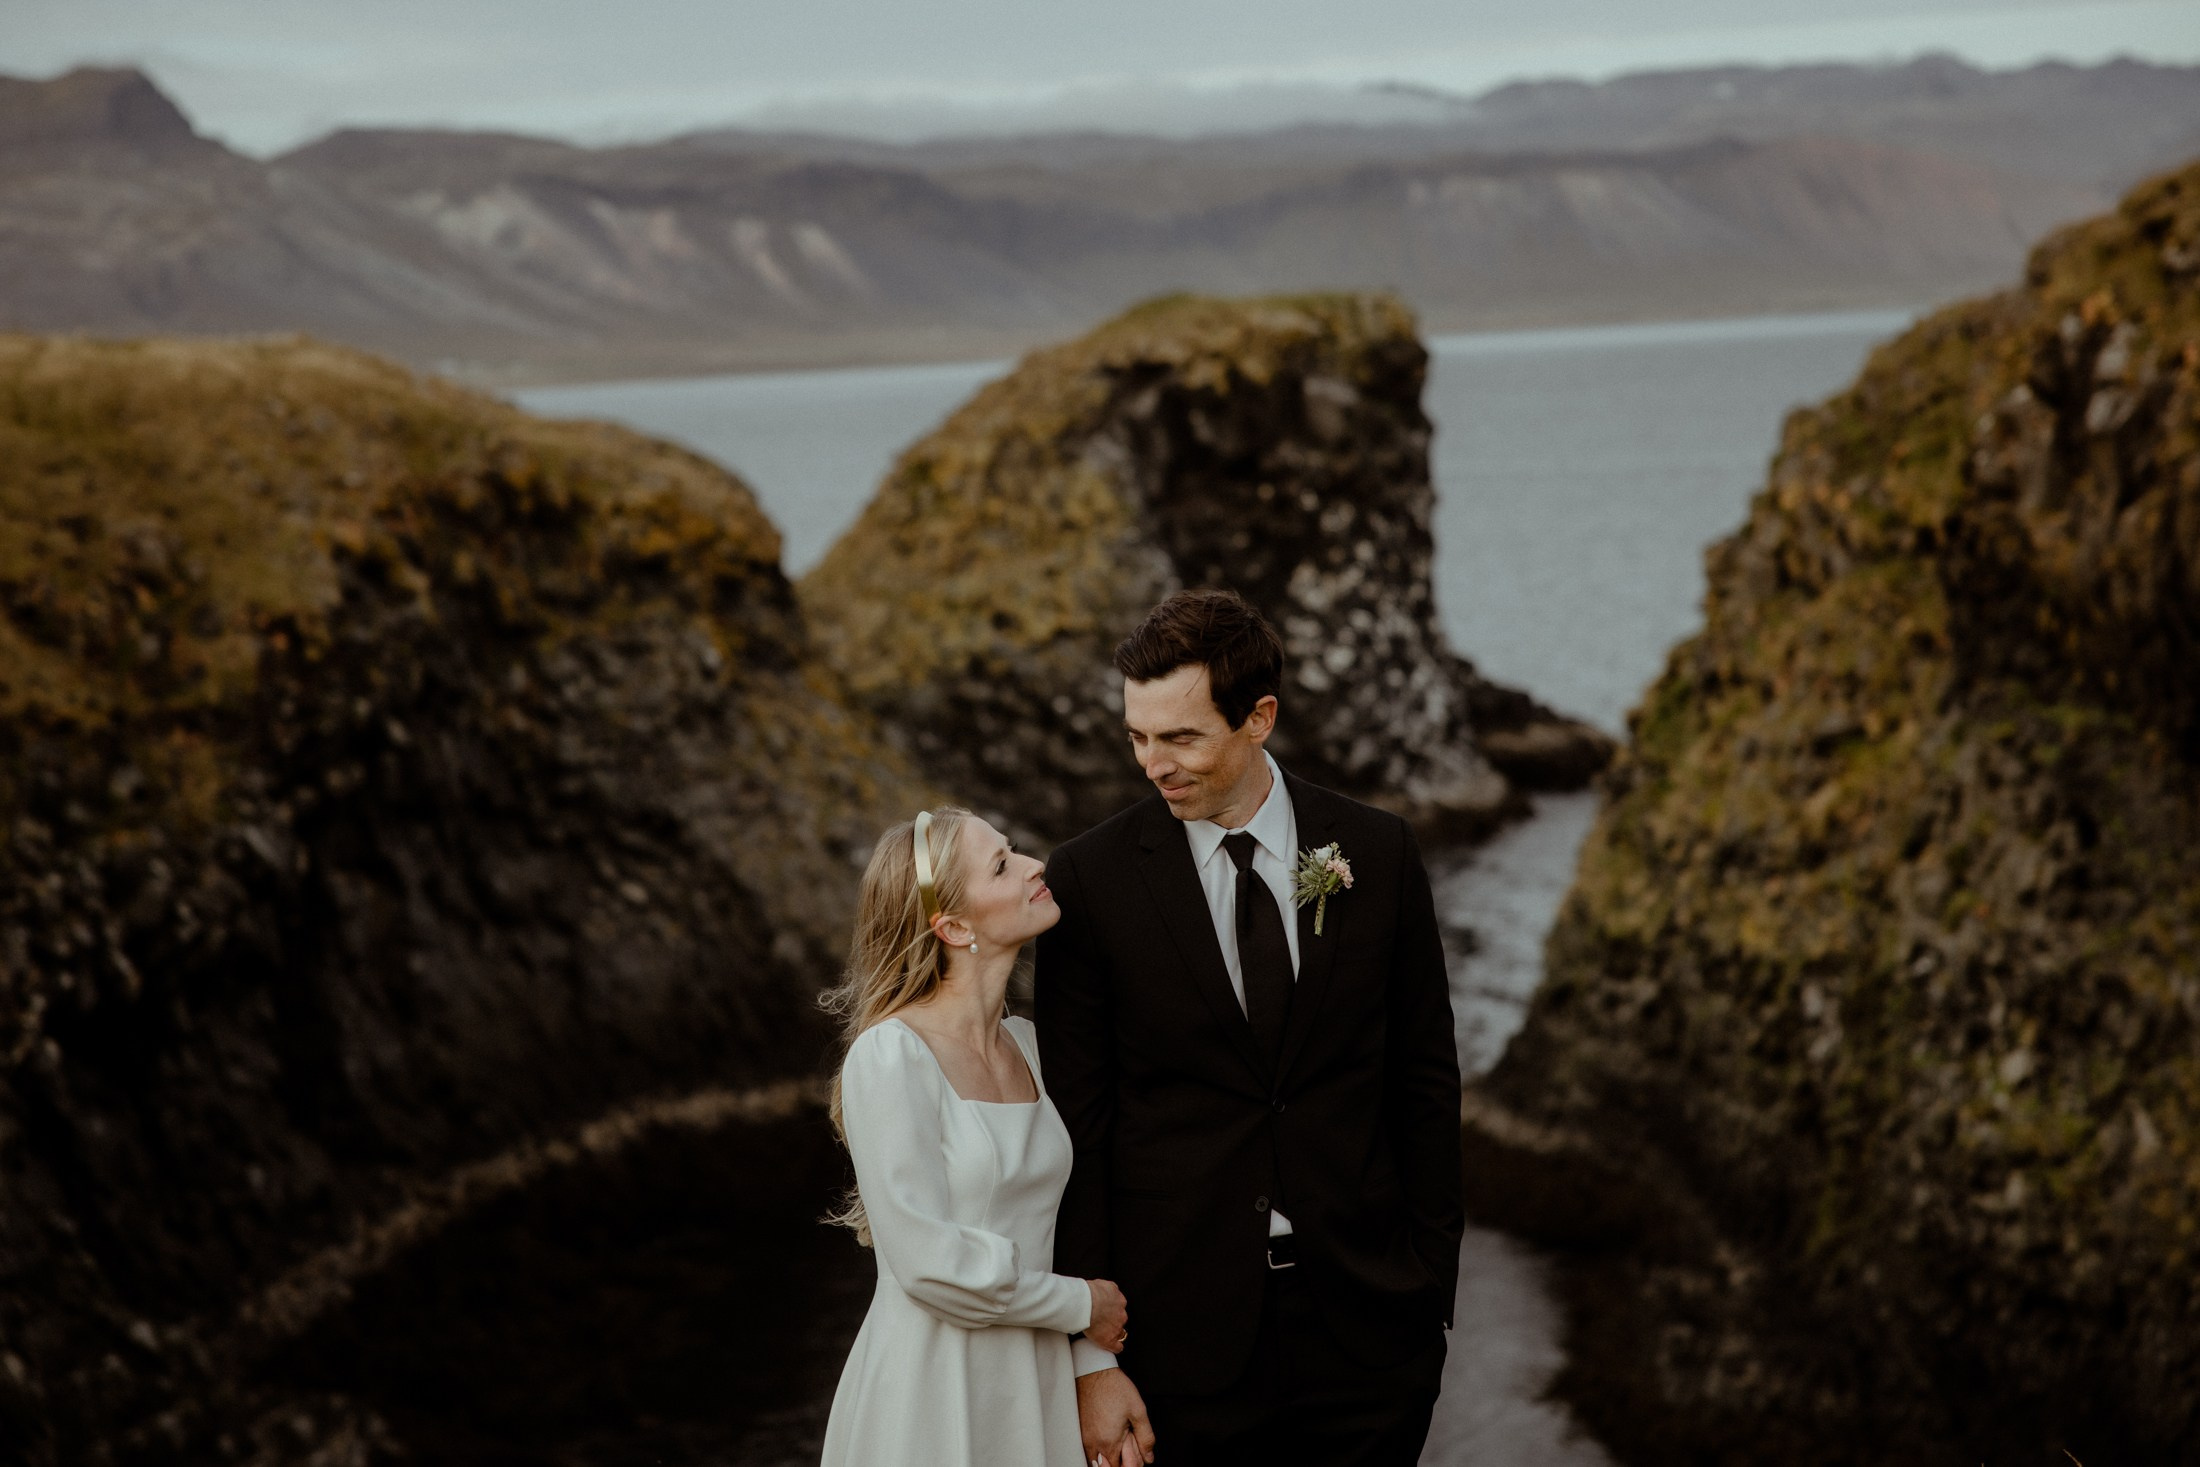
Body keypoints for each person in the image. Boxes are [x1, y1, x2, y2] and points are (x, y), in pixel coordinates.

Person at [1037, 588, 1465, 1467]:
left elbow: (1424, 1081)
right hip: (1178, 1348)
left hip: (1370, 1337)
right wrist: (1091, 1360)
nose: (1154, 764)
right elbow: (1080, 1128)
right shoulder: (1087, 882)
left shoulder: (1380, 852)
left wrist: (1429, 1292)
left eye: (1181, 737)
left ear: (1259, 717)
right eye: (1136, 736)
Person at [818, 806, 1132, 1467]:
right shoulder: (891, 1056)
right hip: (935, 1387)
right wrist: (1080, 1303)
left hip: (1038, 1383)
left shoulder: (1030, 1044)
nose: (1035, 866)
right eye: (1002, 865)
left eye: (1014, 850)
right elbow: (928, 1263)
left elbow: (1068, 1219)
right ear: (955, 926)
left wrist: (1092, 1360)